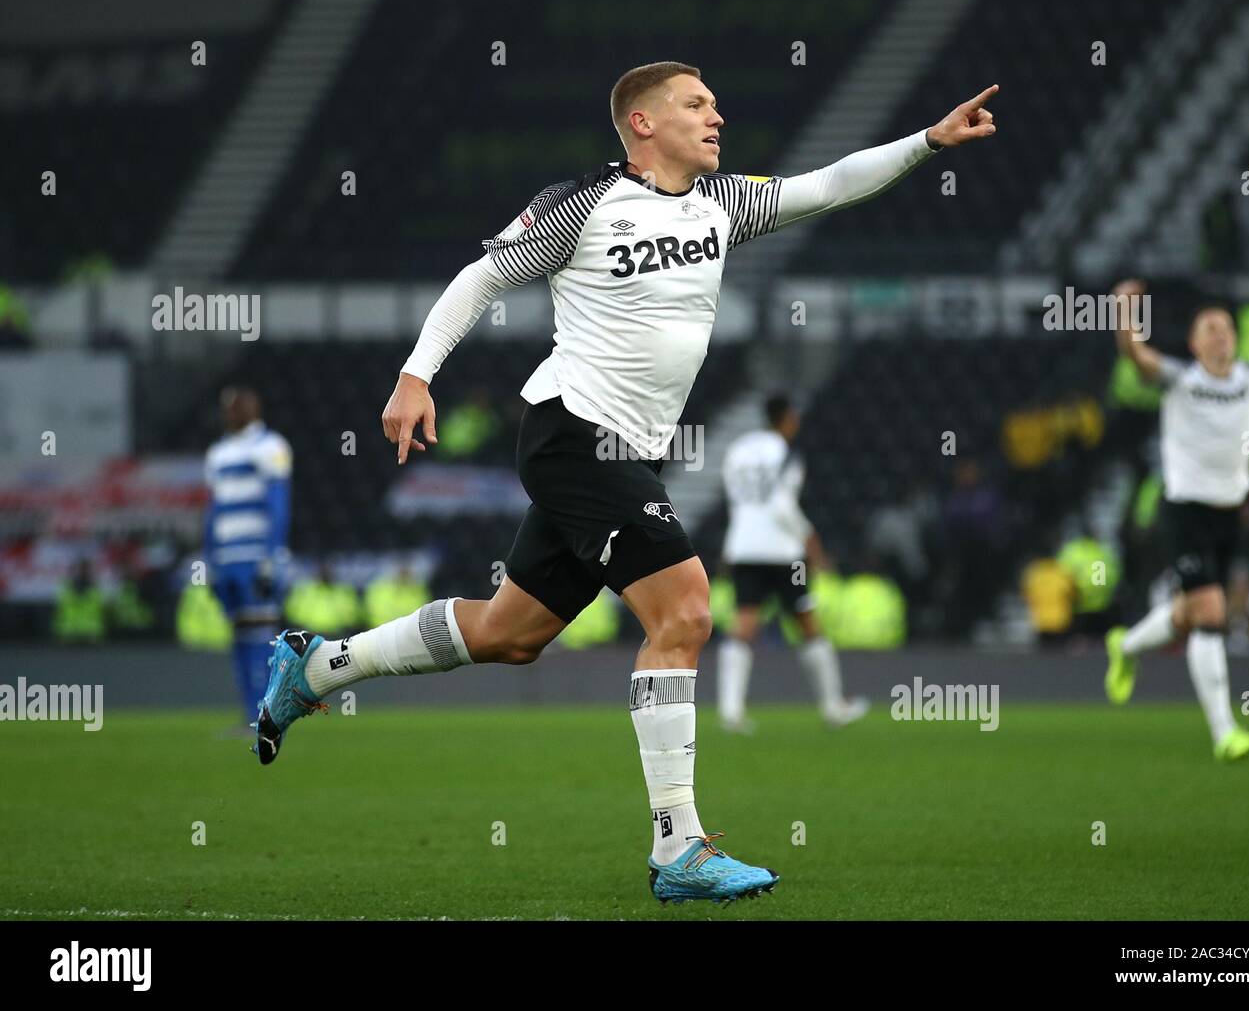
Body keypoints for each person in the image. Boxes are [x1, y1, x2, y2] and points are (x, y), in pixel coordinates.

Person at [255, 61, 997, 903]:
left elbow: (826, 185)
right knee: (684, 607)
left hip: (625, 453)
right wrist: (416, 375)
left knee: (509, 631)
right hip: (574, 434)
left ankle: (316, 668)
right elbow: (481, 277)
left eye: (716, 101)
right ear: (643, 124)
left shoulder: (724, 204)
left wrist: (929, 141)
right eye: (696, 103)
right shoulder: (584, 203)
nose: (717, 115)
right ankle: (678, 844)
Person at [1105, 279, 1249, 761]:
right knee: (1211, 613)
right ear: (1193, 343)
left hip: (1230, 514)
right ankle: (1224, 732)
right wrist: (1124, 313)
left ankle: (1125, 647)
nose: (1220, 336)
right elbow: (1137, 356)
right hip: (1183, 512)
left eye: (1226, 328)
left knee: (1188, 614)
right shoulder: (1180, 380)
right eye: (1209, 329)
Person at [715, 395, 868, 732]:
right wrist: (811, 541)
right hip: (782, 553)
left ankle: (731, 711)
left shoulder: (738, 449)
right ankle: (833, 707)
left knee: (743, 625)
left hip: (743, 547)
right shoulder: (786, 454)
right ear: (786, 419)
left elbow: (735, 499)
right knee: (808, 624)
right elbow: (782, 506)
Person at [204, 387, 292, 724]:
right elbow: (212, 511)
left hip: (255, 555)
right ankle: (249, 716)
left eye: (234, 408)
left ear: (252, 409)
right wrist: (209, 559)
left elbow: (278, 504)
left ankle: (268, 714)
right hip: (227, 558)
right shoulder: (218, 453)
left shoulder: (271, 447)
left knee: (261, 637)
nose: (228, 414)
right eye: (225, 408)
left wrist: (272, 556)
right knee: (239, 637)